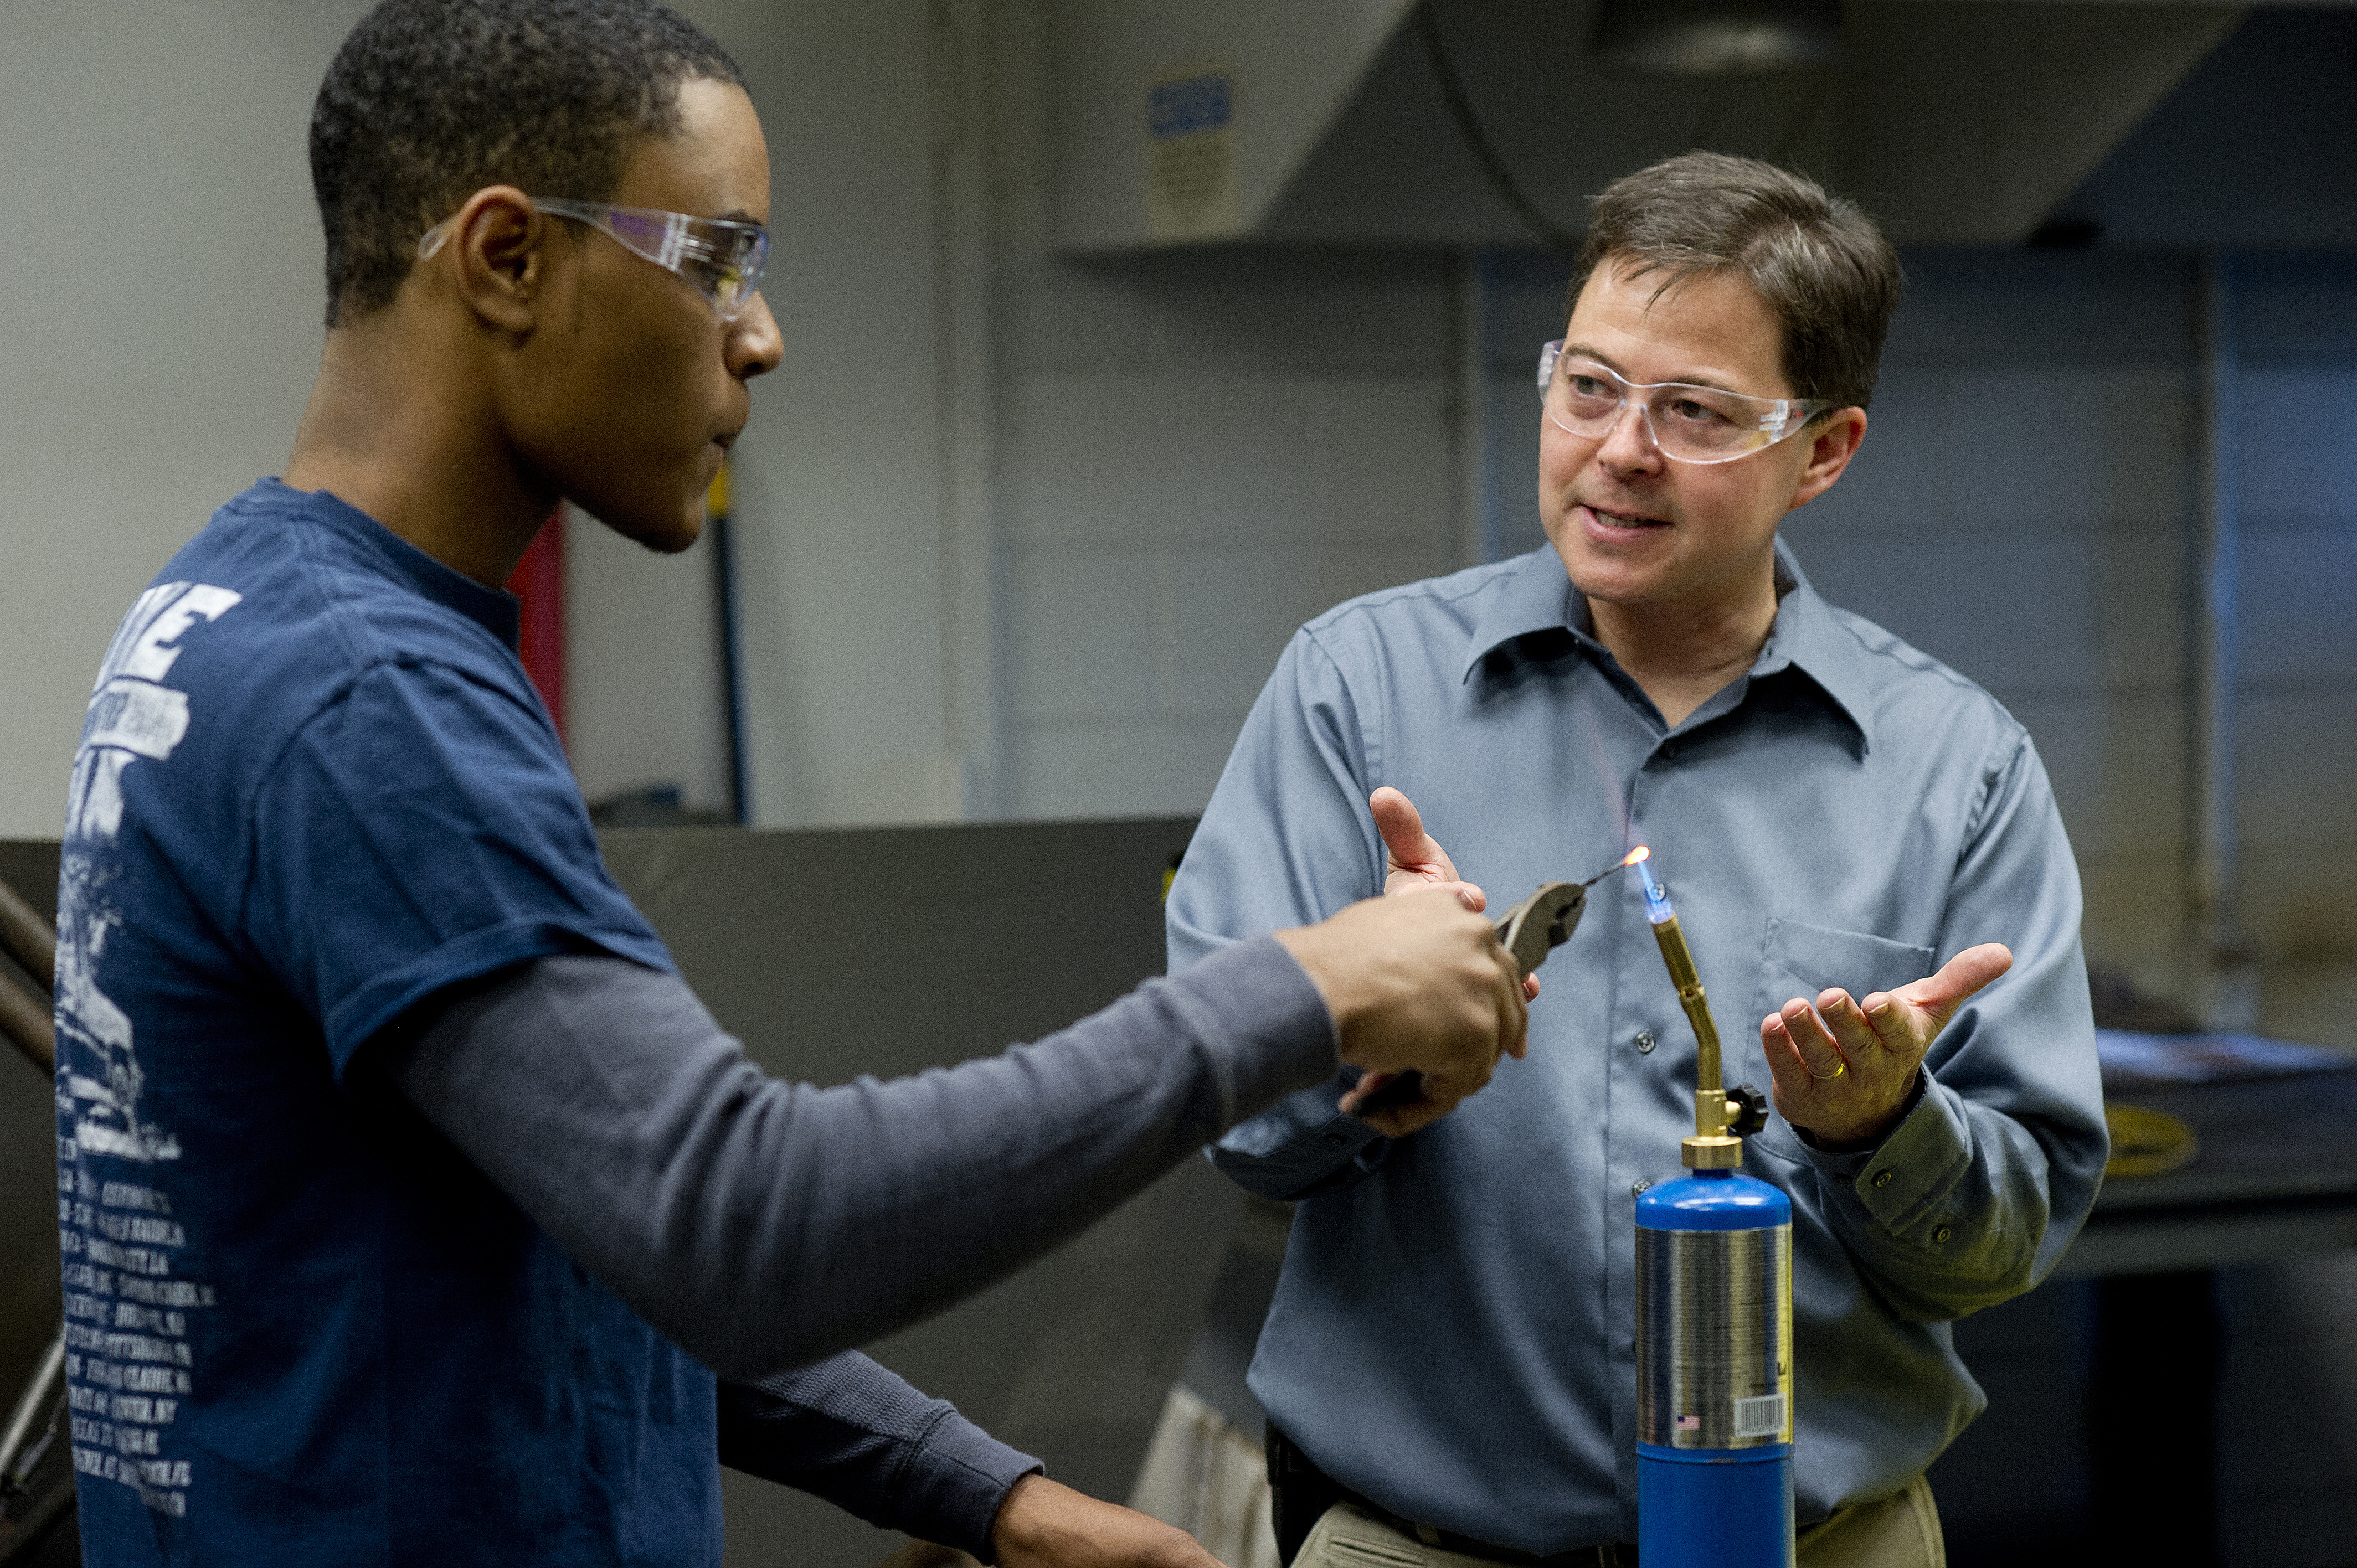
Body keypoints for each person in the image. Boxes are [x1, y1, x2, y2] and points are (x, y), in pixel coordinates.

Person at [48, 4, 1534, 1565]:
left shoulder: (241, 618)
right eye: (717, 259)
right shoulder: (368, 700)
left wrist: (988, 1497)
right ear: (505, 261)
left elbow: (603, 1238)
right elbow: (732, 1223)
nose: (760, 335)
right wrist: (1301, 988)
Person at [1167, 153, 2108, 1568]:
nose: (1619, 448)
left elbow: (2007, 1240)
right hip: (1415, 1546)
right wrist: (1369, 1044)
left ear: (1825, 450)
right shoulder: (1356, 693)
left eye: (1695, 412)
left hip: (1820, 1544)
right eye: (1590, 385)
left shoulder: (1952, 768)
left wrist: (1878, 1132)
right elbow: (1230, 1125)